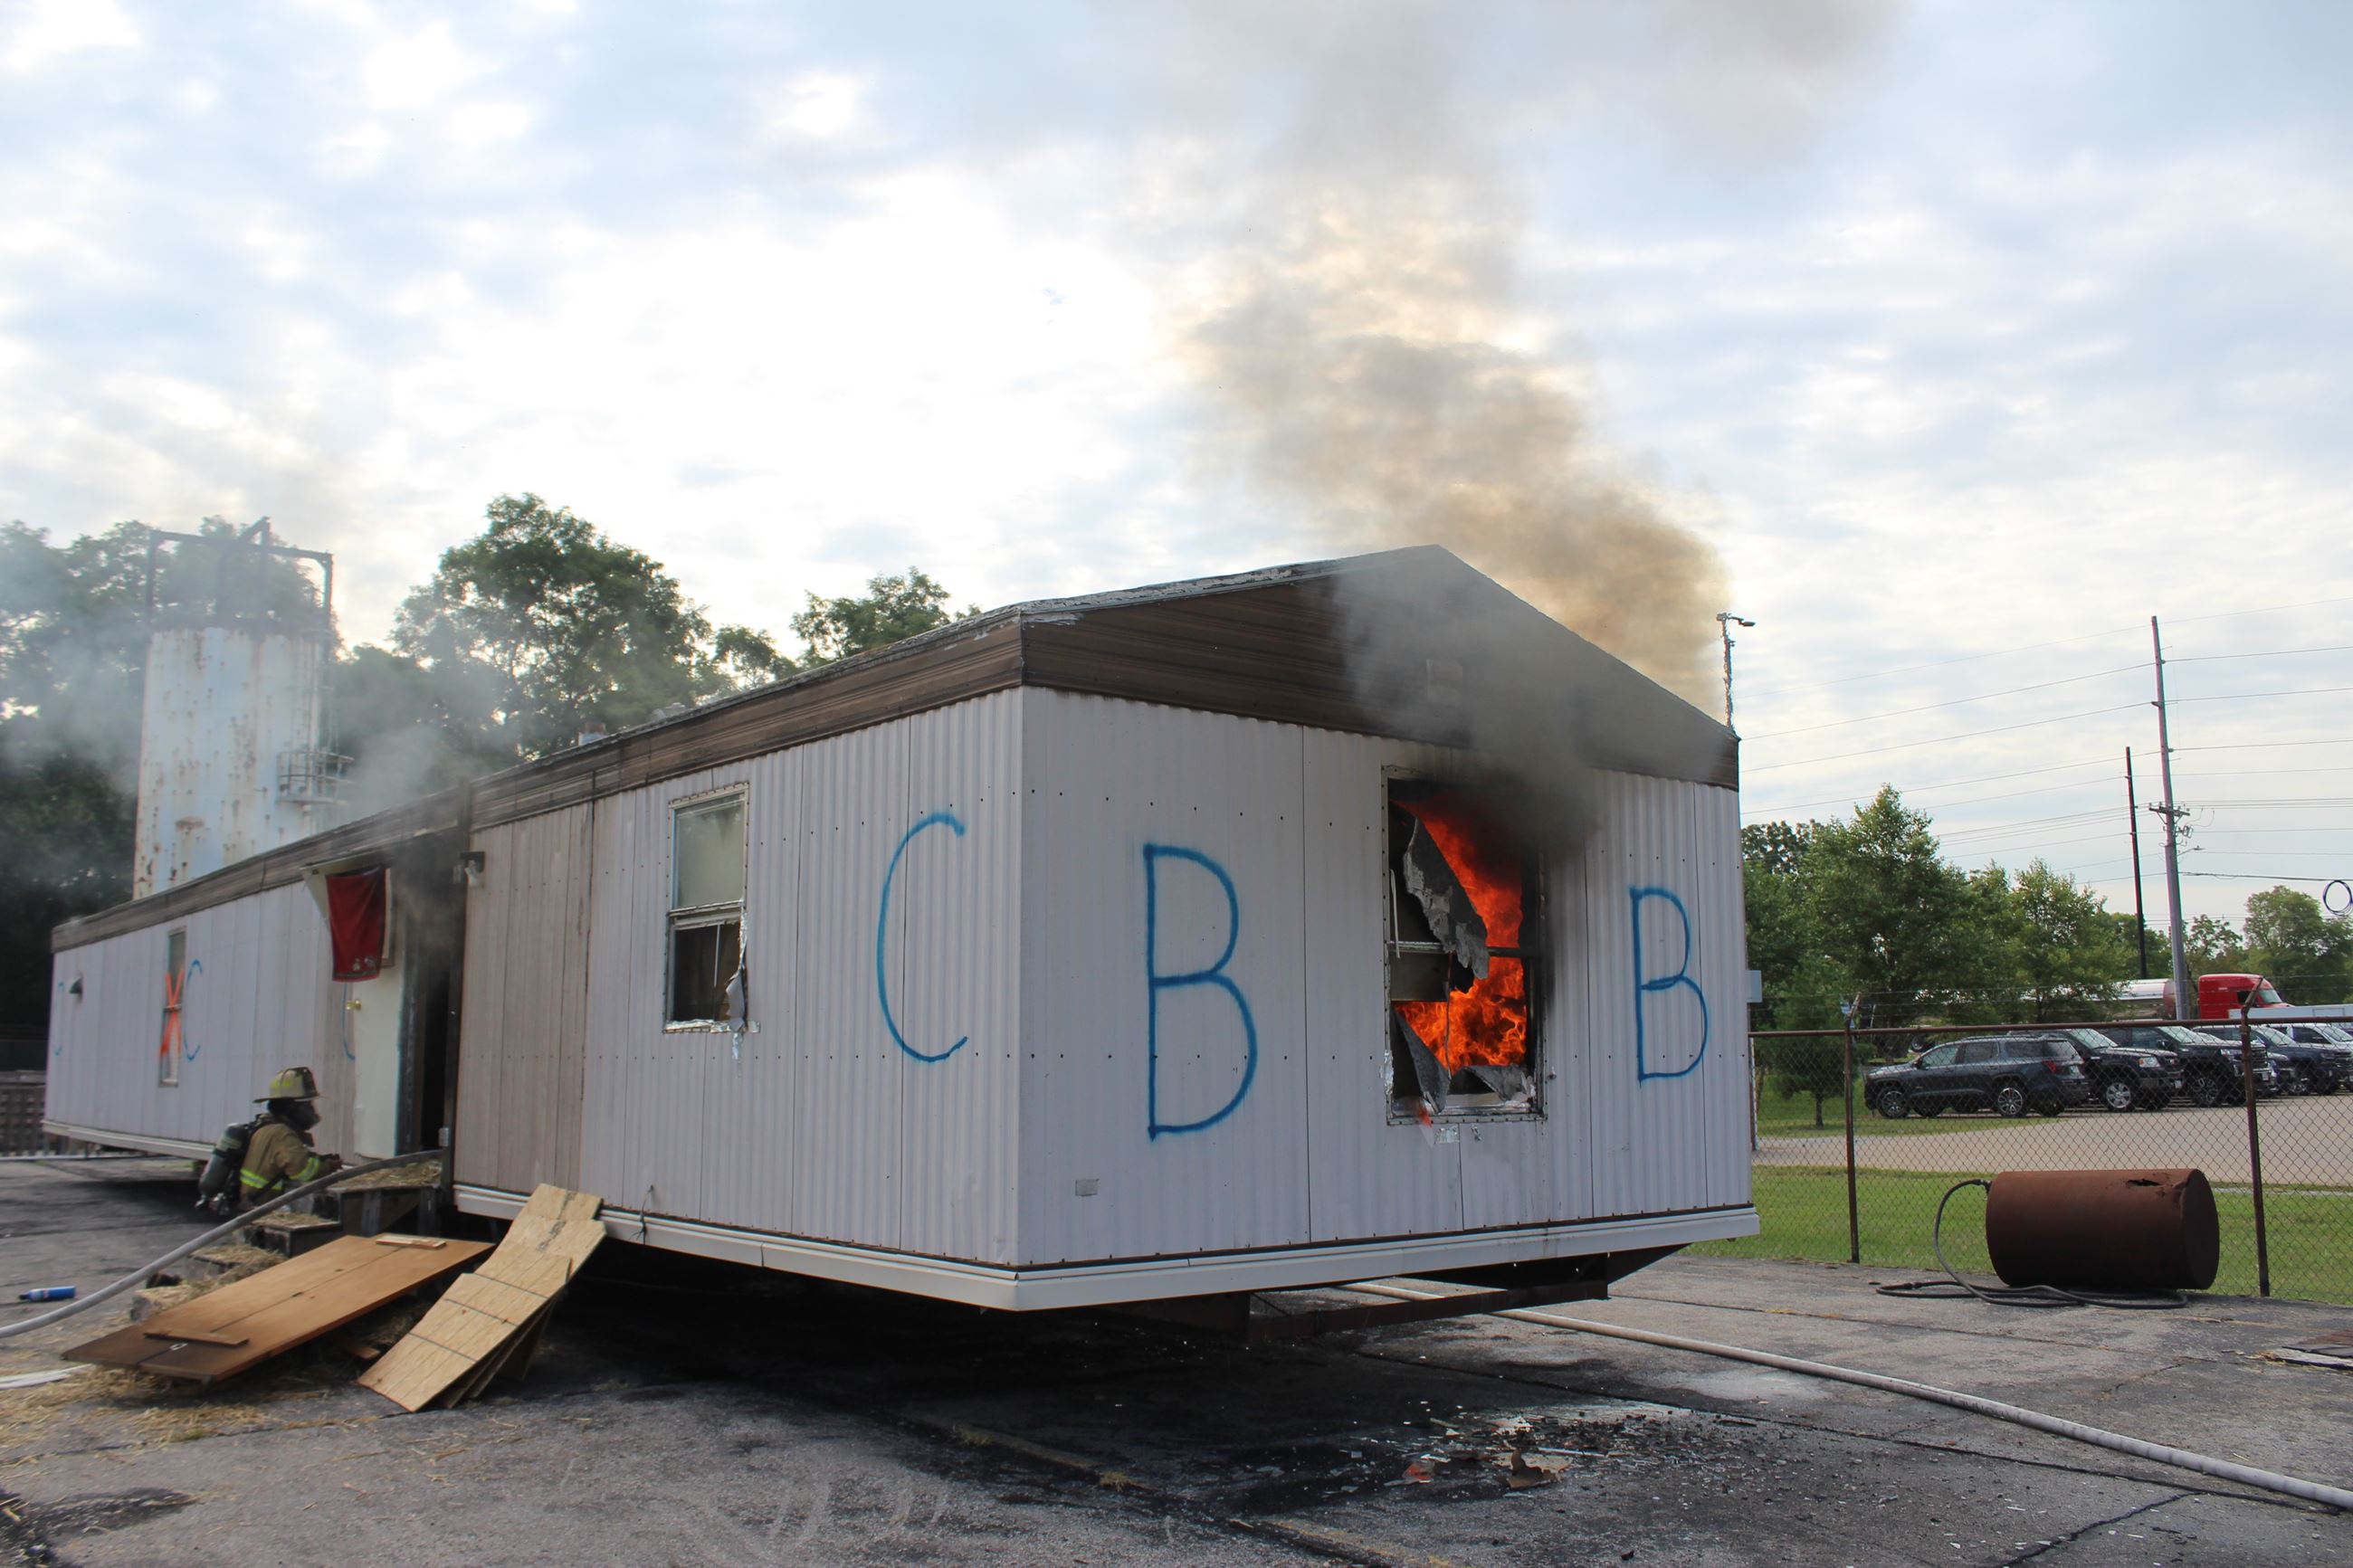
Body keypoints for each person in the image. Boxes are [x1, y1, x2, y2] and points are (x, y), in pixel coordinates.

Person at [237, 1066, 342, 1210]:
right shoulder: (282, 1133)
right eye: (307, 1104)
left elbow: (291, 1159)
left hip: (251, 1207)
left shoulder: (267, 1127)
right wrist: (329, 1166)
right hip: (259, 1210)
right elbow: (302, 1170)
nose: (311, 1109)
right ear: (292, 1106)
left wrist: (322, 1160)